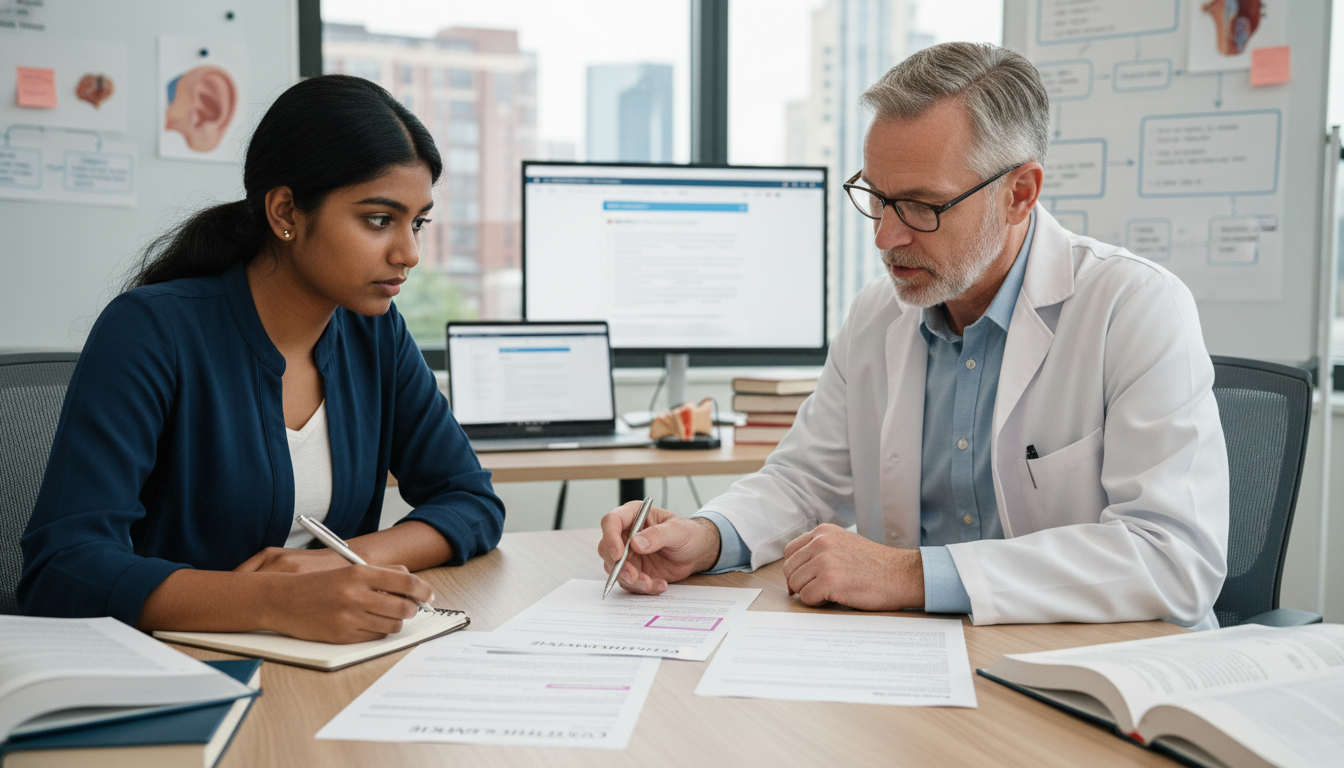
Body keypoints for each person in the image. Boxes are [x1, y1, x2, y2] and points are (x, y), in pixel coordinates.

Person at [598, 42, 1229, 629]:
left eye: (922, 206)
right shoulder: (878, 317)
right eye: (877, 197)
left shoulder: (1135, 307)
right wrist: (706, 537)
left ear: (1020, 193)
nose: (884, 237)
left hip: (1098, 675)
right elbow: (805, 481)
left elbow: (1172, 557)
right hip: (922, 661)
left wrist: (910, 574)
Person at [21, 75, 505, 644]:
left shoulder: (375, 333)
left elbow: (471, 500)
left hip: (330, 666)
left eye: (417, 222)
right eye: (379, 219)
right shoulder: (150, 329)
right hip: (179, 670)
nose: (410, 253)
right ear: (286, 211)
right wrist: (276, 600)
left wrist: (343, 561)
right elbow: (63, 569)